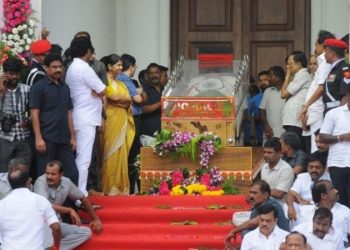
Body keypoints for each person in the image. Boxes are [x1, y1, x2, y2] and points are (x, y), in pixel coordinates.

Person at [65, 36, 106, 196]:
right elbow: (103, 90)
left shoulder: (71, 67)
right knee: (84, 159)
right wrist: (96, 92)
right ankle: (80, 195)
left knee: (81, 158)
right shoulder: (84, 68)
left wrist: (95, 91)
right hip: (86, 118)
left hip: (78, 115)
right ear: (88, 51)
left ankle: (79, 193)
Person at [30, 53, 78, 185]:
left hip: (64, 138)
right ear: (46, 68)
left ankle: (73, 203)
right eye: (54, 67)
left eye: (60, 67)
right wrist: (38, 138)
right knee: (44, 175)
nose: (58, 70)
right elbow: (34, 113)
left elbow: (69, 113)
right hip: (46, 138)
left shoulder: (65, 87)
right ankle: (44, 205)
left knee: (72, 172)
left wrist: (73, 137)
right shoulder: (38, 87)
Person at [34, 160, 103, 249]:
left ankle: (52, 248)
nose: (49, 177)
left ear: (61, 174)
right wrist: (69, 210)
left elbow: (83, 198)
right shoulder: (40, 181)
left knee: (85, 232)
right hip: (41, 224)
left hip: (57, 223)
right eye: (47, 173)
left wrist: (95, 219)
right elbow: (45, 205)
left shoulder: (66, 182)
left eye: (53, 174)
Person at [100, 54, 135, 195]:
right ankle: (109, 187)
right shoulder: (104, 82)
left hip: (122, 119)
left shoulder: (121, 84)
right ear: (109, 66)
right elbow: (111, 97)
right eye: (118, 65)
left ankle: (121, 187)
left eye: (121, 65)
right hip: (110, 120)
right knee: (110, 153)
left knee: (121, 153)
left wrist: (120, 100)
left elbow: (129, 100)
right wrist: (122, 100)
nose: (121, 68)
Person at [0, 168, 61, 250]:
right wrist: (56, 246)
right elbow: (56, 228)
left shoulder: (2, 204)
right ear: (28, 182)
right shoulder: (40, 201)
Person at [225, 180, 289, 248]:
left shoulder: (273, 205)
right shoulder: (257, 206)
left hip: (280, 240)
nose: (251, 196)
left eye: (255, 193)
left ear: (265, 195)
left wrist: (234, 231)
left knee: (246, 232)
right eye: (251, 192)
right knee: (245, 232)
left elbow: (253, 223)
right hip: (264, 236)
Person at [300, 30, 334, 153]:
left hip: (319, 111)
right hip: (313, 111)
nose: (315, 48)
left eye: (316, 45)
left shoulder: (325, 63)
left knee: (317, 149)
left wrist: (306, 106)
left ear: (323, 45)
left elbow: (321, 88)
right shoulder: (322, 62)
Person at [118, 54, 146, 194]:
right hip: (133, 118)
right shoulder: (125, 79)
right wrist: (139, 91)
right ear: (131, 67)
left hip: (125, 118)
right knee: (133, 153)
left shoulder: (118, 78)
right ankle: (129, 187)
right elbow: (138, 99)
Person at [319, 86, 350, 207]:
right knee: (340, 201)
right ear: (348, 94)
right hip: (337, 163)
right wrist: (340, 137)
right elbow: (322, 136)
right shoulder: (334, 113)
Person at [0, 58, 31, 173]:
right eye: (11, 74)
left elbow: (33, 110)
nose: (14, 77)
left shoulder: (27, 89)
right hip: (3, 137)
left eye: (16, 74)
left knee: (23, 171)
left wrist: (29, 120)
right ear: (5, 74)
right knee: (3, 172)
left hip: (23, 136)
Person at [286, 151, 331, 225]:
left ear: (324, 168)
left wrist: (299, 197)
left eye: (317, 167)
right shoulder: (302, 176)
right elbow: (291, 193)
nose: (313, 170)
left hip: (318, 208)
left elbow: (326, 201)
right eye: (311, 167)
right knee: (287, 206)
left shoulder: (329, 179)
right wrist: (292, 206)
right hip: (302, 206)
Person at [281, 51, 312, 144]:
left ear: (298, 64)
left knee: (294, 148)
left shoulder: (302, 75)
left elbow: (283, 94)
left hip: (295, 120)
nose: (287, 67)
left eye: (290, 64)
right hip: (292, 120)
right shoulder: (298, 76)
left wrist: (287, 76)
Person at [261, 137, 294, 203]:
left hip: (279, 205)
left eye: (269, 153)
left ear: (279, 153)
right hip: (264, 202)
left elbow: (279, 193)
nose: (266, 155)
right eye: (264, 152)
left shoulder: (286, 169)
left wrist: (260, 191)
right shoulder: (264, 167)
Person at [259, 66, 286, 140]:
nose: (269, 79)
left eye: (271, 76)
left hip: (286, 134)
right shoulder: (268, 91)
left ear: (278, 78)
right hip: (271, 132)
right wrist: (266, 126)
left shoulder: (288, 91)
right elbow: (261, 111)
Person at [141, 63, 163, 136]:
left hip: (165, 130)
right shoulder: (143, 90)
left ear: (160, 74)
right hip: (150, 132)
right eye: (151, 73)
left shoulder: (165, 89)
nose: (154, 75)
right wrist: (162, 102)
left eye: (156, 72)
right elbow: (143, 109)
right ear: (147, 75)